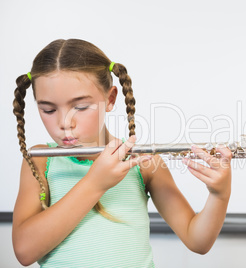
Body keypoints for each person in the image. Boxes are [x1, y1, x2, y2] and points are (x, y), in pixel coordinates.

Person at [12, 39, 232, 267]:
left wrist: (219, 195)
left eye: (80, 107)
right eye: (48, 109)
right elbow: (25, 251)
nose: (64, 123)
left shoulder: (143, 162)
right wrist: (95, 183)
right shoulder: (40, 160)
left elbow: (197, 240)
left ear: (110, 99)